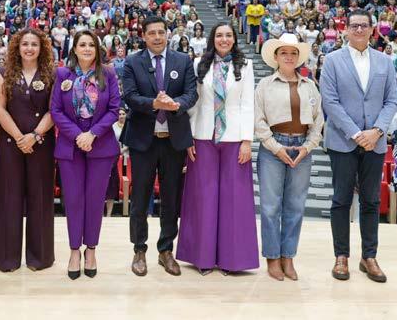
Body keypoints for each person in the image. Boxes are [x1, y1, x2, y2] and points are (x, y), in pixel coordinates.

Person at [320, 10, 397, 283]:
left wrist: (376, 131)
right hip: (343, 141)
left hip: (375, 142)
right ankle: (341, 256)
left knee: (371, 201)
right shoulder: (332, 60)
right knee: (341, 200)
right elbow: (330, 102)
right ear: (346, 29)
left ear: (372, 30)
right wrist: (356, 134)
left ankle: (369, 257)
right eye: (354, 25)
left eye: (364, 25)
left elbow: (392, 100)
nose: (358, 30)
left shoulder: (385, 62)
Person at [176, 22, 257, 275]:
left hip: (234, 138)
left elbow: (247, 104)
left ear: (234, 39)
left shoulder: (246, 65)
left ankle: (232, 260)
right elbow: (194, 103)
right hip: (203, 135)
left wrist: (247, 140)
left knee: (234, 199)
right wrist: (189, 137)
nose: (224, 39)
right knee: (204, 198)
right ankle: (202, 258)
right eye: (219, 35)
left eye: (228, 35)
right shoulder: (199, 63)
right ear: (213, 39)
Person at [122, 16, 198, 277]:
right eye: (152, 33)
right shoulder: (132, 62)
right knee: (140, 198)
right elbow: (129, 96)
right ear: (143, 36)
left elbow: (191, 94)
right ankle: (139, 250)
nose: (157, 37)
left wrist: (176, 105)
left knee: (171, 198)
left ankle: (166, 250)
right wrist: (154, 104)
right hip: (143, 141)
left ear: (168, 34)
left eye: (161, 32)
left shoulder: (183, 61)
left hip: (174, 141)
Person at [50, 29, 120, 279]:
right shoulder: (63, 74)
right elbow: (56, 110)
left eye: (91, 44)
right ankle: (74, 251)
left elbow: (114, 109)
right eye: (82, 44)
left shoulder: (108, 73)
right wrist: (78, 135)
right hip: (71, 147)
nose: (87, 49)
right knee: (74, 200)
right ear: (74, 49)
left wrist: (92, 134)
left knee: (94, 200)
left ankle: (91, 249)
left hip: (100, 146)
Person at [254, 34, 324, 281]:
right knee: (271, 206)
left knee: (295, 206)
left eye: (293, 53)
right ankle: (272, 257)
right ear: (276, 56)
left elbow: (318, 120)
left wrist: (308, 147)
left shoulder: (309, 85)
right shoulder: (265, 85)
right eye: (284, 52)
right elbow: (258, 120)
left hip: (302, 147)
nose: (289, 56)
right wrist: (275, 147)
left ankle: (288, 256)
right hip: (274, 148)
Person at [0, 29, 56, 272]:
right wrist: (20, 137)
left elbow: (54, 110)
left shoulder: (51, 74)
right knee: (9, 198)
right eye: (25, 44)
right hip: (11, 142)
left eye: (34, 44)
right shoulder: (5, 72)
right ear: (17, 48)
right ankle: (7, 259)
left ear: (42, 48)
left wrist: (35, 135)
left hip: (41, 142)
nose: (29, 48)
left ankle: (40, 258)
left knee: (40, 198)